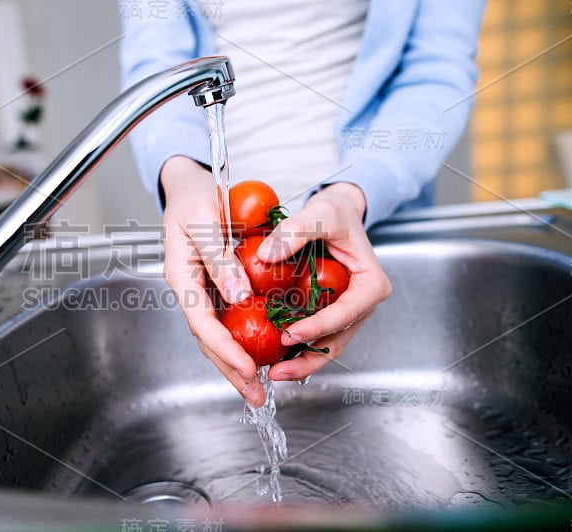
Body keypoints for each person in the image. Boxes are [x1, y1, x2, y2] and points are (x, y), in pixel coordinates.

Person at [120, 0, 486, 407]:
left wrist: (355, 191)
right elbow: (157, 60)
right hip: (223, 236)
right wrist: (183, 174)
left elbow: (435, 68)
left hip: (366, 223)